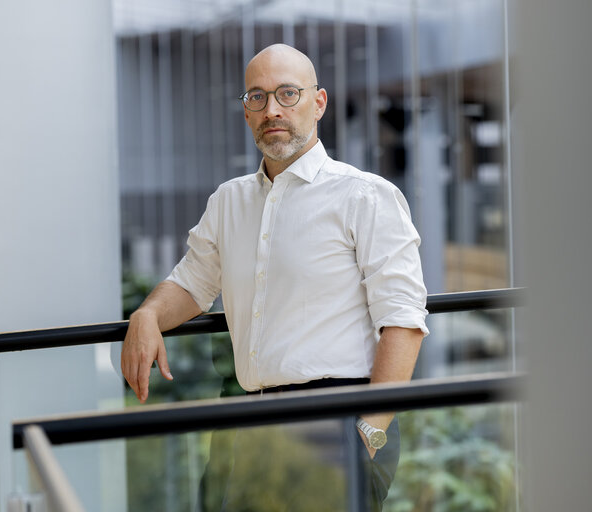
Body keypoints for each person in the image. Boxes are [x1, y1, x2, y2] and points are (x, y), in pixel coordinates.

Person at [122, 43, 429, 511]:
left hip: (334, 422)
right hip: (250, 418)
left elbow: (403, 320)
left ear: (318, 102)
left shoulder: (365, 196)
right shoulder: (228, 201)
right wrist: (147, 314)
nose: (272, 110)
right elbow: (190, 283)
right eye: (257, 97)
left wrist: (370, 429)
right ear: (245, 112)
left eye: (288, 94)